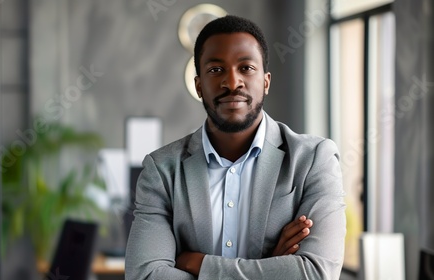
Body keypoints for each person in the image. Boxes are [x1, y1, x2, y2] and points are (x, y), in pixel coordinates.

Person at [125, 15, 346, 280]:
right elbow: (145, 276)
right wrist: (269, 265)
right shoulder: (161, 171)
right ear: (198, 85)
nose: (232, 83)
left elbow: (316, 273)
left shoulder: (313, 160)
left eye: (246, 68)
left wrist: (198, 264)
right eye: (216, 70)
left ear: (265, 81)